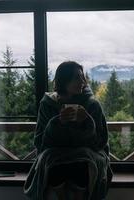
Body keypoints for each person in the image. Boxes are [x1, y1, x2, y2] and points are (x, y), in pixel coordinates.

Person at [24, 61, 113, 200]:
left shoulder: (92, 105)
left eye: (82, 77)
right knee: (53, 162)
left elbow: (100, 143)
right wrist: (57, 123)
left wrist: (87, 122)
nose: (82, 81)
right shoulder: (47, 105)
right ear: (64, 80)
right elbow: (40, 142)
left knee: (82, 163)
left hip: (86, 156)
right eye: (77, 77)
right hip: (56, 156)